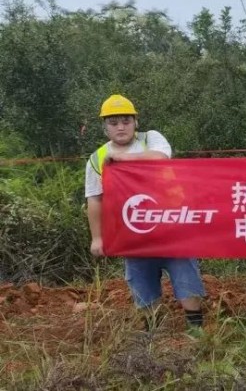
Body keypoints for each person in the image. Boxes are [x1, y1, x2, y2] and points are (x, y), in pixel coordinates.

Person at [85, 94, 205, 333]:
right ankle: (153, 335)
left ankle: (196, 331)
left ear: (135, 122)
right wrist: (97, 238)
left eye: (126, 121)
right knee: (142, 287)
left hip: (172, 230)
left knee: (186, 279)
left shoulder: (151, 139)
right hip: (134, 235)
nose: (121, 127)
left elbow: (160, 157)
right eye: (113, 122)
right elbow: (94, 199)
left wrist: (121, 159)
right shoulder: (97, 159)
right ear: (105, 127)